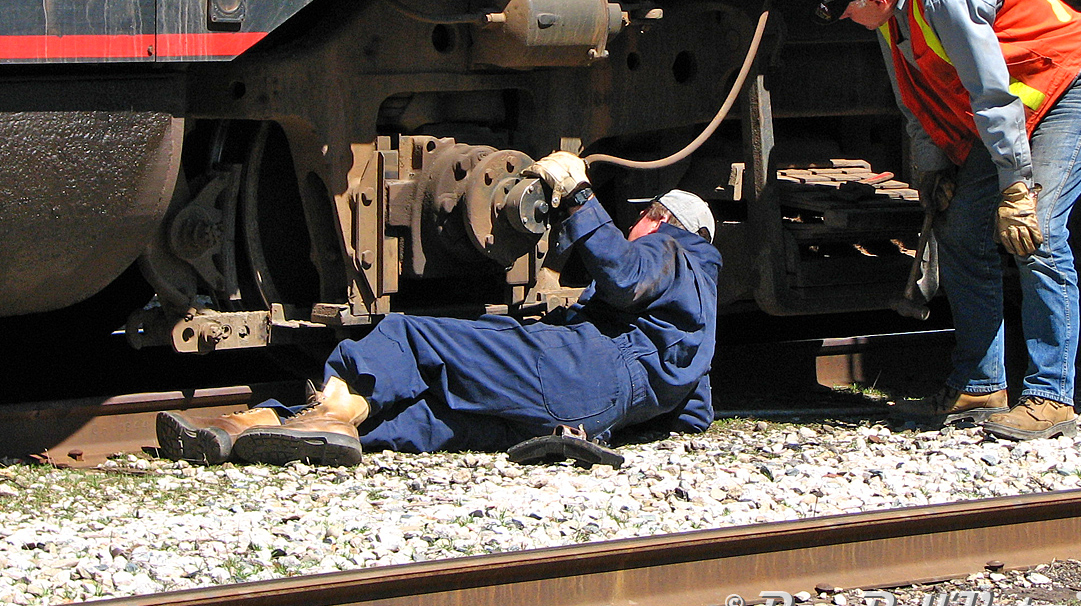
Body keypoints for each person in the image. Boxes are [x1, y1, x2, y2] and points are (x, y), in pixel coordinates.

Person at [156, 154, 721, 466]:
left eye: (644, 217)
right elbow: (695, 414)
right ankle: (258, 430)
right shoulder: (700, 326)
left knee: (410, 337)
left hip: (578, 368)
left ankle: (321, 410)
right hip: (591, 417)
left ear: (663, 220)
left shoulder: (674, 249)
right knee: (428, 418)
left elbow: (621, 276)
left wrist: (576, 194)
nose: (637, 224)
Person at [811, 0, 1081, 440]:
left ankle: (1051, 397)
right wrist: (933, 168)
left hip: (1075, 85)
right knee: (959, 233)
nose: (845, 21)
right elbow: (913, 99)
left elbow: (992, 95)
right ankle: (980, 388)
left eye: (845, 11)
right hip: (1021, 106)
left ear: (873, 0)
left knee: (1035, 233)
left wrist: (1017, 188)